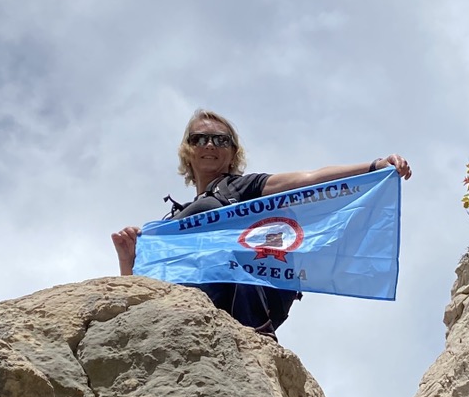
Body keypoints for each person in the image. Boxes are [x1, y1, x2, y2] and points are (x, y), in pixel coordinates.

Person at [112, 109, 412, 335]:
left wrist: (373, 166)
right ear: (187, 151)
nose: (210, 145)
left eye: (221, 140)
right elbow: (143, 298)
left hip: (240, 310)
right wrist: (128, 258)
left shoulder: (239, 189)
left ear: (233, 154)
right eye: (199, 139)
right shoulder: (170, 224)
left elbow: (308, 179)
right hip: (179, 323)